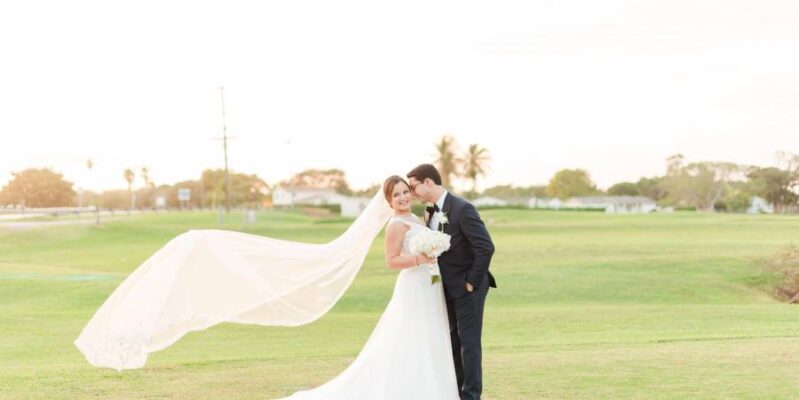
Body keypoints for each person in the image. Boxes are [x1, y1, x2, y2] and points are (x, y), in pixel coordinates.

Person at [282, 175, 459, 399]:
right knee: (412, 334)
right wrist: (419, 260)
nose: (402, 197)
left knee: (431, 333)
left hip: (430, 282)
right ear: (389, 201)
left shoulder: (415, 217)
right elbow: (391, 261)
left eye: (405, 192)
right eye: (396, 195)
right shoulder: (395, 224)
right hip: (414, 284)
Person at [407, 164, 496, 400]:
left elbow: (486, 247)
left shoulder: (462, 208)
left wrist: (471, 282)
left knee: (469, 344)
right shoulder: (429, 212)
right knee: (453, 342)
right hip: (446, 288)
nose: (411, 192)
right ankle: (456, 392)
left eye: (414, 187)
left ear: (428, 182)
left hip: (469, 288)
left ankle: (471, 396)